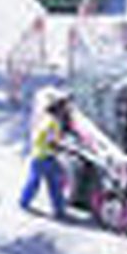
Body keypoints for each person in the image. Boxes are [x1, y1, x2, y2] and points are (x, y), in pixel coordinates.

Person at [20, 90, 73, 219]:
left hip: (38, 155)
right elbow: (51, 141)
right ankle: (59, 210)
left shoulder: (45, 118)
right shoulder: (53, 123)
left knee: (36, 181)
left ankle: (24, 201)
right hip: (46, 157)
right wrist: (64, 147)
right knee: (54, 183)